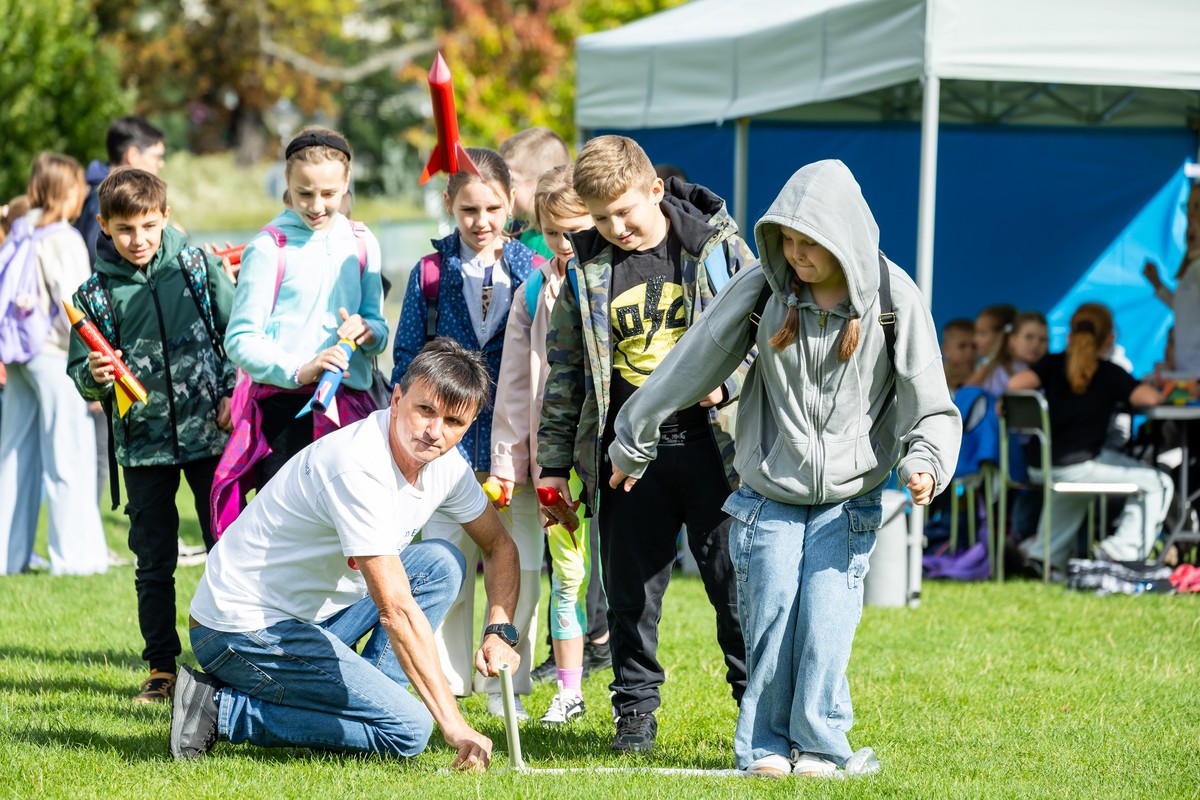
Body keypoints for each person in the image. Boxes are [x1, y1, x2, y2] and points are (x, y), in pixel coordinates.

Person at [607, 159, 961, 777]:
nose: (795, 255)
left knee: (825, 626)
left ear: (842, 237)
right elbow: (687, 367)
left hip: (849, 500)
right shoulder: (763, 290)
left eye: (808, 244)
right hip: (767, 492)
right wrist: (632, 436)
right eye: (786, 241)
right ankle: (766, 748)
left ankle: (821, 745)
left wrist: (926, 460)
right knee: (767, 623)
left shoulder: (893, 296)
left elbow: (931, 401)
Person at [173, 339, 521, 770]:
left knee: (441, 564)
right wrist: (453, 723)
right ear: (396, 399)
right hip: (237, 628)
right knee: (410, 729)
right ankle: (219, 710)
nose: (435, 431)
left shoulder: (444, 465)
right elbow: (395, 608)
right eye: (425, 410)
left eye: (453, 421)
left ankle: (372, 702)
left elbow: (500, 545)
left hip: (307, 616)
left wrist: (500, 629)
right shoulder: (358, 465)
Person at [537, 135, 750, 754]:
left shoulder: (717, 247)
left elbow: (764, 335)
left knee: (735, 588)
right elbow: (566, 374)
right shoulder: (586, 267)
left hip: (716, 450)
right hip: (626, 455)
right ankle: (634, 714)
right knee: (630, 596)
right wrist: (554, 466)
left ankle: (754, 708)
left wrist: (728, 385)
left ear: (656, 189)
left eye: (626, 212)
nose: (617, 227)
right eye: (601, 218)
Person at [66, 167, 236, 702]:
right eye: (124, 230)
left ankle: (237, 653)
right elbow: (80, 374)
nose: (138, 240)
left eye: (147, 226)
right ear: (104, 227)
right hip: (141, 449)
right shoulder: (92, 295)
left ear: (165, 217)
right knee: (153, 565)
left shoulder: (196, 266)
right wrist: (90, 378)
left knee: (228, 549)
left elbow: (235, 337)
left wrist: (233, 392)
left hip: (212, 437)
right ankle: (162, 667)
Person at [391, 147, 543, 718]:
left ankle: (508, 683)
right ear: (450, 206)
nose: (482, 222)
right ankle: (450, 681)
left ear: (511, 204)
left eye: (493, 208)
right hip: (445, 448)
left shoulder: (532, 268)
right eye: (469, 210)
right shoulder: (430, 274)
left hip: (516, 448)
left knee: (521, 562)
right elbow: (407, 354)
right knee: (446, 561)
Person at [212, 127, 388, 537]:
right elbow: (239, 341)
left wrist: (367, 329)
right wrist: (300, 368)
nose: (317, 205)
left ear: (346, 185)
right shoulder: (268, 246)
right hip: (284, 412)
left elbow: (378, 325)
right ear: (286, 187)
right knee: (289, 536)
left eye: (329, 193)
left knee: (350, 535)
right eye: (304, 193)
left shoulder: (362, 242)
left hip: (350, 409)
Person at [488, 165, 601, 725]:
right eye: (555, 233)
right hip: (555, 460)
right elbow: (512, 382)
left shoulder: (619, 275)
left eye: (577, 229)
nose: (567, 244)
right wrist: (507, 460)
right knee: (568, 574)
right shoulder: (534, 289)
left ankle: (634, 688)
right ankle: (570, 688)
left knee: (626, 577)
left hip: (615, 450)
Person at [0, 153, 107, 577]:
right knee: (69, 456)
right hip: (55, 356)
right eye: (79, 185)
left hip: (20, 355)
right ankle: (75, 558)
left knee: (13, 457)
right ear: (66, 190)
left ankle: (9, 556)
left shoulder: (21, 232)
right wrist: (95, 360)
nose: (84, 193)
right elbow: (74, 308)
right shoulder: (63, 238)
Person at [1009, 302, 1173, 572]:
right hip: (1077, 465)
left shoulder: (1050, 364)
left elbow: (1015, 385)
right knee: (1159, 483)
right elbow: (1150, 399)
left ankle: (1043, 558)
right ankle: (1118, 555)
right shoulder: (1110, 372)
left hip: (1042, 464)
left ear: (1070, 335)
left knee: (1080, 482)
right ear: (1109, 338)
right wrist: (1166, 384)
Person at [76, 116, 167, 264]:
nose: (161, 164)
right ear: (133, 155)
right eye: (156, 156)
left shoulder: (94, 190)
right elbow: (98, 259)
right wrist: (165, 245)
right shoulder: (105, 198)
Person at [1144, 182, 1200, 375]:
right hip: (1190, 372)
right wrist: (1158, 285)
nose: (1190, 216)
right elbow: (1185, 308)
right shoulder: (1192, 268)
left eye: (1198, 206)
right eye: (1189, 207)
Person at [499, 126, 570, 259]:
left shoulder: (552, 243)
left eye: (511, 180)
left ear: (542, 184)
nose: (504, 187)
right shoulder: (516, 228)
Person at [967, 310, 1048, 398]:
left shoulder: (1048, 372)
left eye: (1043, 339)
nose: (1036, 344)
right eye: (1029, 337)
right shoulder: (999, 371)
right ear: (1012, 340)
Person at [973, 304, 1017, 369]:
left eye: (982, 333)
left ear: (1004, 336)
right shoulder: (981, 365)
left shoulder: (1019, 368)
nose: (975, 340)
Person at [940, 318, 976, 392]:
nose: (969, 351)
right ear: (946, 350)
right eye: (962, 346)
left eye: (974, 346)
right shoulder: (938, 379)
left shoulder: (986, 377)